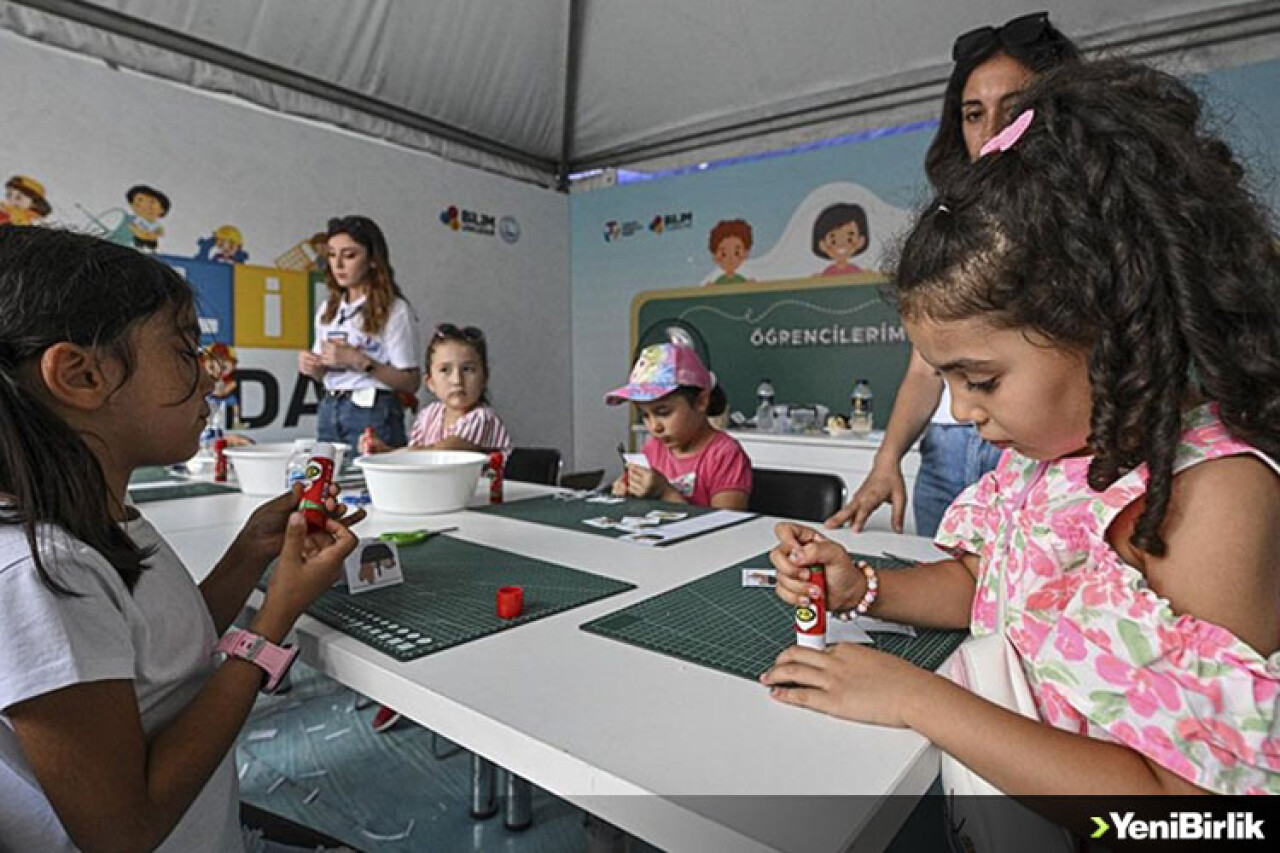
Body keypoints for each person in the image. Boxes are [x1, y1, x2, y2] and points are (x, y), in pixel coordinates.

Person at [764, 58, 1280, 819]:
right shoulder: (1046, 459)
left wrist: (916, 698)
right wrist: (865, 588)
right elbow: (992, 583)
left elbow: (1190, 807)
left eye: (981, 378)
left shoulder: (1214, 499)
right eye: (947, 379)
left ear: (1108, 325)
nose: (962, 410)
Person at [0, 226, 364, 851]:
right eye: (185, 350)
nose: (209, 378)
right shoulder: (38, 575)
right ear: (81, 376)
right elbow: (123, 831)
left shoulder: (101, 517)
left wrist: (249, 553)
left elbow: (161, 657)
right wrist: (273, 620)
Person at [827, 11, 1079, 535]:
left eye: (1015, 108)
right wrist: (887, 458)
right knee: (949, 577)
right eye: (972, 113)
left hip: (1045, 449)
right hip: (944, 451)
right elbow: (924, 372)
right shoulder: (954, 227)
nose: (991, 132)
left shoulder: (1088, 226)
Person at [298, 215, 420, 448]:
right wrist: (312, 367)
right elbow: (325, 375)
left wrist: (360, 361)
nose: (338, 265)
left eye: (349, 255)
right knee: (328, 471)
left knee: (372, 472)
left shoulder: (395, 309)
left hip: (373, 410)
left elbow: (410, 382)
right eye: (331, 255)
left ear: (373, 260)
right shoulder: (327, 309)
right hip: (330, 407)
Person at [606, 343, 751, 509]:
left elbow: (727, 523)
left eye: (663, 412)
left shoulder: (725, 455)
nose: (654, 427)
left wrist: (665, 493)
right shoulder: (653, 448)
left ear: (701, 402)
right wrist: (630, 491)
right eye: (645, 415)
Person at [363, 323, 511, 455]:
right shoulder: (429, 415)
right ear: (430, 382)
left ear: (484, 378)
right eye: (445, 370)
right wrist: (382, 451)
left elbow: (437, 454)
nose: (457, 380)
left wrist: (388, 455)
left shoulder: (482, 419)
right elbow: (414, 458)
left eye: (467, 369)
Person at [812, 203, 870, 276]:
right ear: (822, 245)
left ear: (860, 241)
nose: (841, 244)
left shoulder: (856, 271)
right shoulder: (828, 272)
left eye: (849, 239)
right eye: (833, 241)